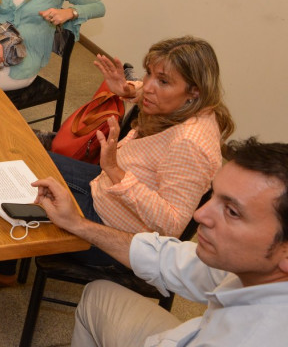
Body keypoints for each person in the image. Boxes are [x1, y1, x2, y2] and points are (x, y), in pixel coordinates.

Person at [0, 36, 234, 286]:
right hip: (105, 191)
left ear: (194, 92)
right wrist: (128, 89)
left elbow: (172, 225)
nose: (150, 86)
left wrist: (114, 170)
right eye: (149, 74)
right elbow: (147, 89)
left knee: (19, 189)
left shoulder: (190, 144)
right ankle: (6, 259)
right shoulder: (186, 105)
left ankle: (2, 270)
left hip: (114, 238)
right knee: (23, 161)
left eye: (163, 81)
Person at [31, 139, 288, 347]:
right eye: (214, 196)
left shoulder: (255, 336)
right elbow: (168, 258)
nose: (200, 215)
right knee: (99, 294)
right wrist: (77, 224)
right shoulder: (254, 268)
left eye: (232, 211)